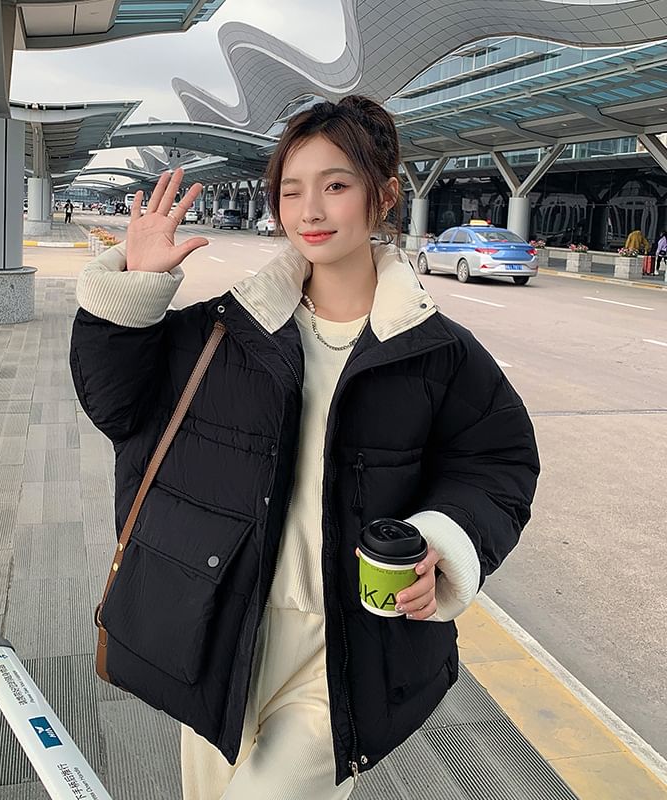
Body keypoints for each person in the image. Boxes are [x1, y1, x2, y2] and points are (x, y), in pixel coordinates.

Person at [70, 95, 539, 799]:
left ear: (384, 196)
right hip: (222, 626)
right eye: (291, 191)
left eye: (336, 185)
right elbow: (119, 406)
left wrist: (445, 540)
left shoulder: (438, 353)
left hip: (347, 648)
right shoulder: (227, 332)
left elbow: (499, 463)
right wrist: (138, 286)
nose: (310, 210)